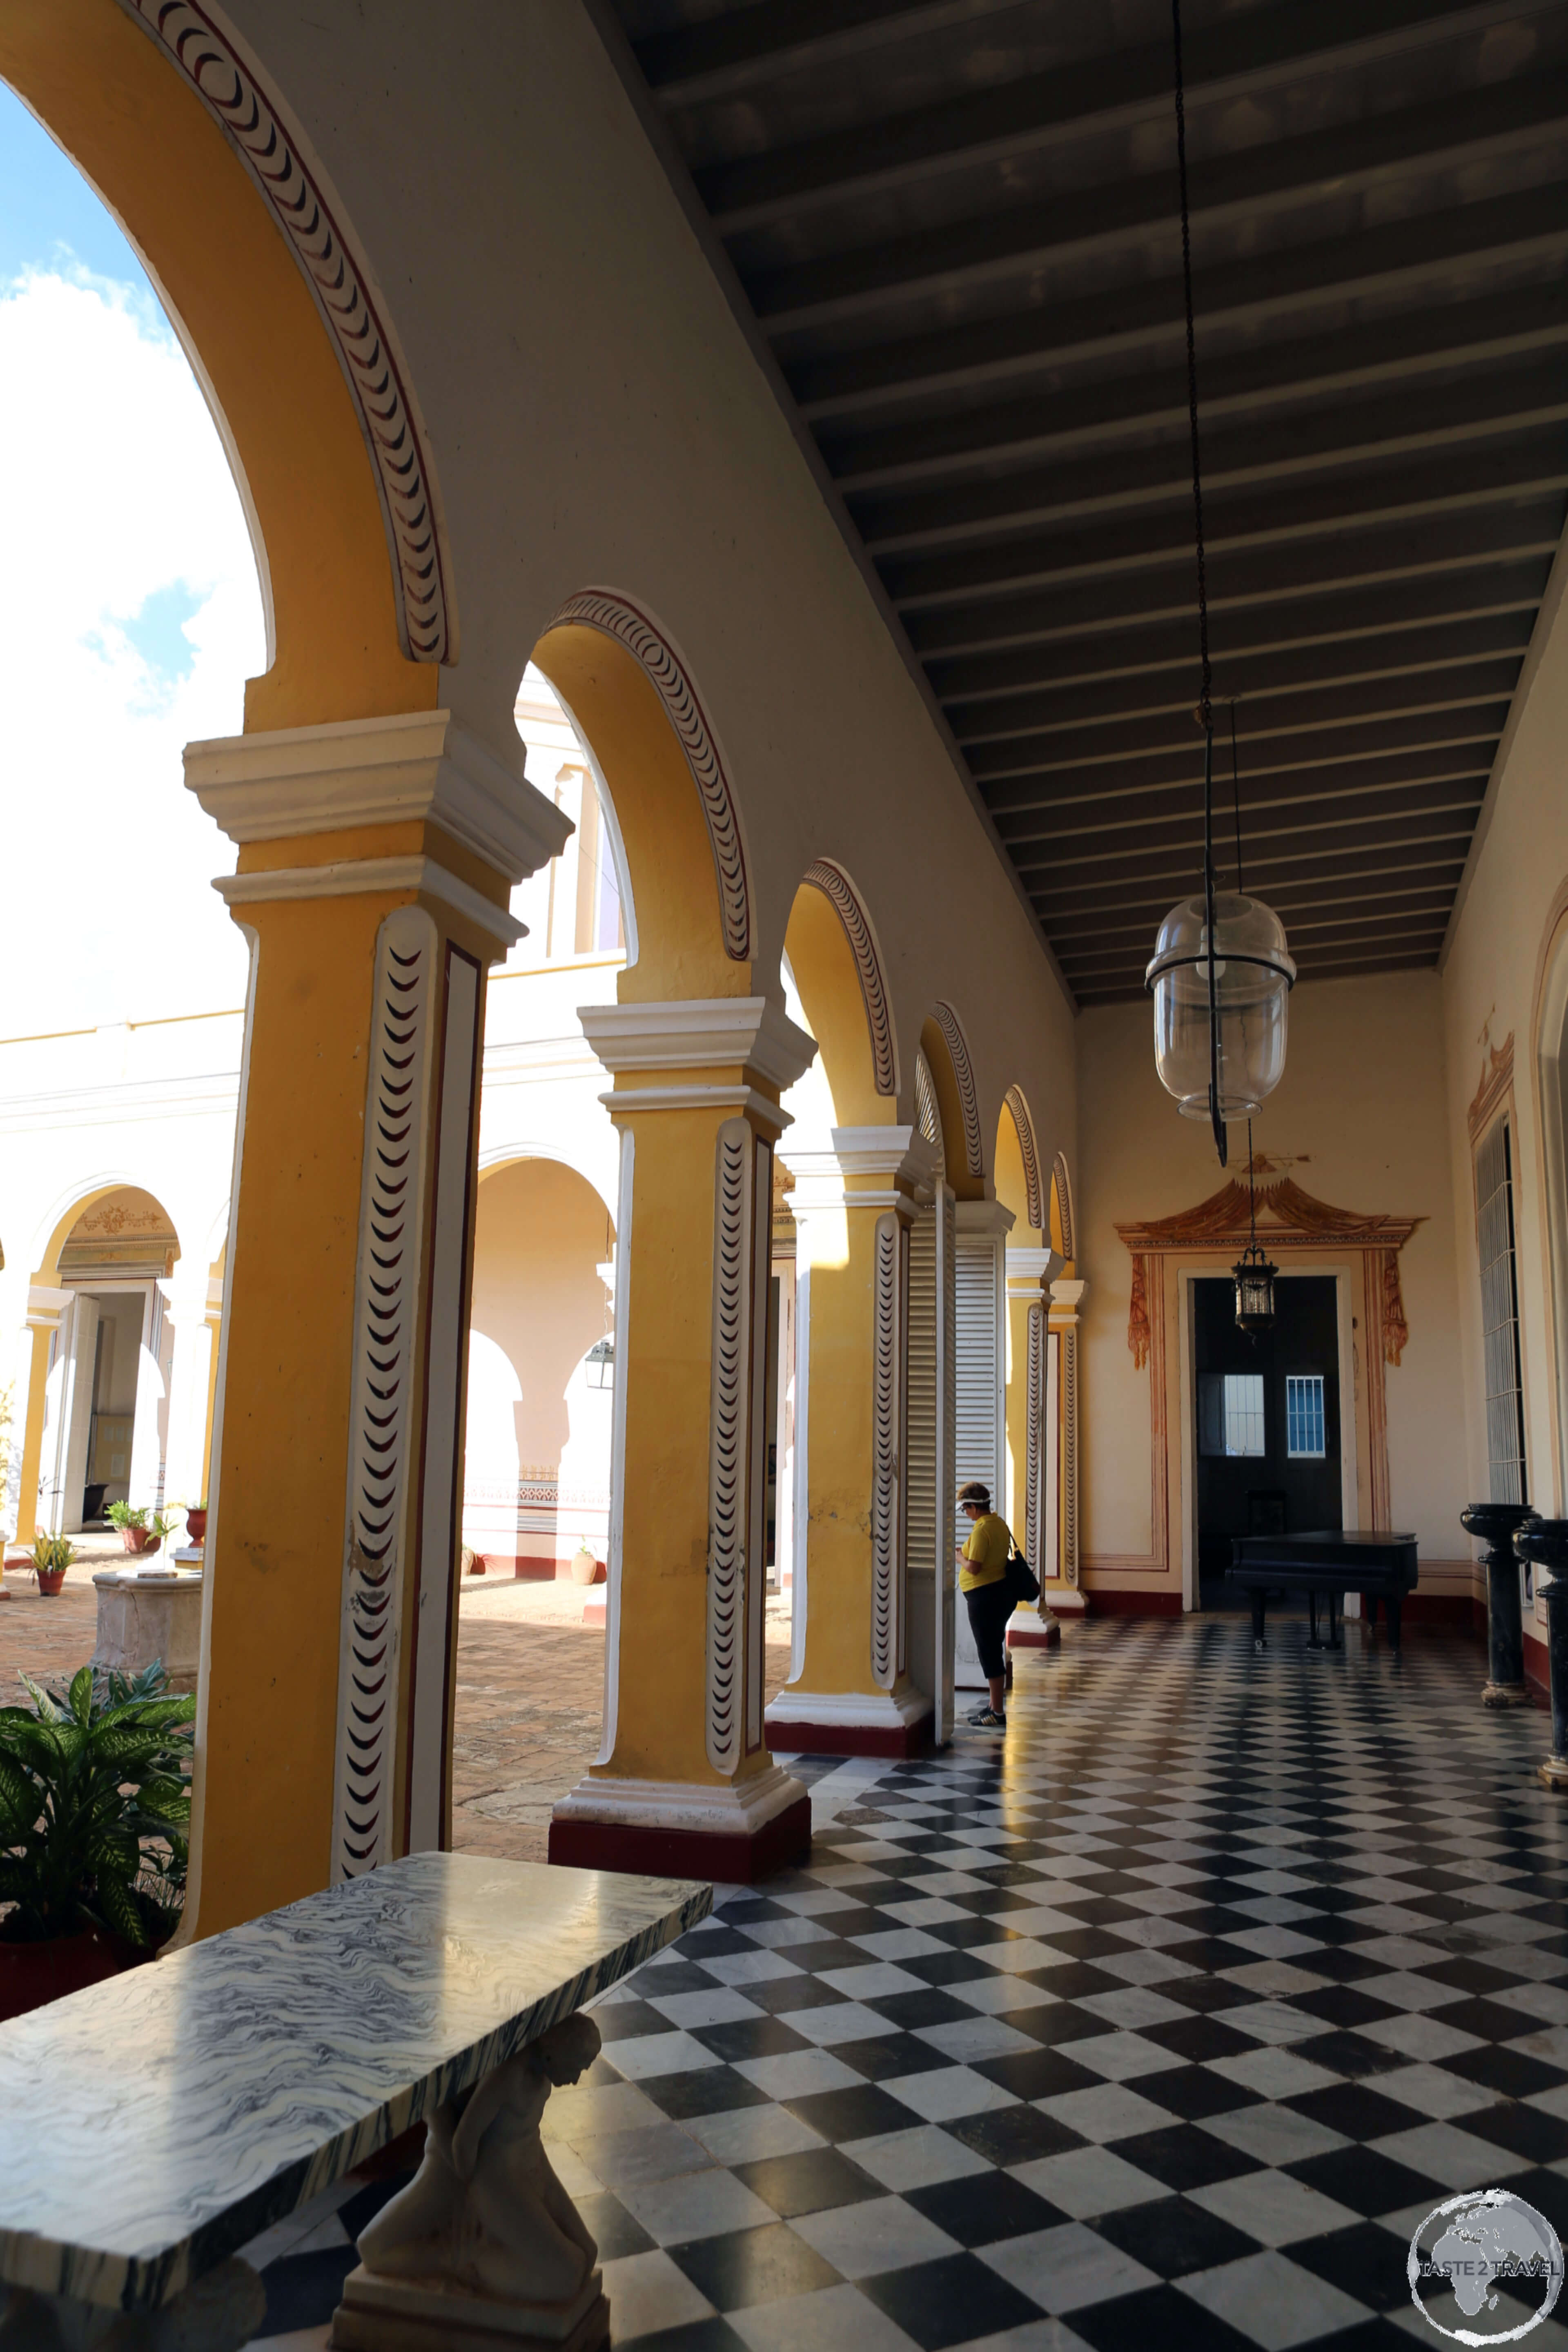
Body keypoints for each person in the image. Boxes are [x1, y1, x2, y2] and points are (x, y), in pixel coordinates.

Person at [958, 1479, 1013, 1729]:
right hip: (999, 1594)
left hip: (985, 1597)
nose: (965, 1513)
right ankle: (993, 1706)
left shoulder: (982, 1529)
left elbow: (975, 1567)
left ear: (973, 1506)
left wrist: (959, 1556)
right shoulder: (999, 1523)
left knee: (988, 1651)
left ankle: (998, 1712)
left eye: (965, 1508)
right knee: (992, 1647)